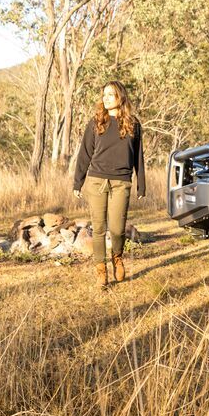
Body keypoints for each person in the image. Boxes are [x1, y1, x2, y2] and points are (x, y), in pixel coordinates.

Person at [73, 80, 146, 288]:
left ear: (120, 97)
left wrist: (141, 183)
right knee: (98, 228)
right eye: (104, 94)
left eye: (110, 94)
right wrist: (78, 182)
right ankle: (100, 270)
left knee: (117, 229)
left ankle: (117, 257)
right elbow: (84, 154)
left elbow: (138, 156)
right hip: (96, 180)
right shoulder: (96, 122)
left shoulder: (133, 123)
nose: (105, 98)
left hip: (121, 182)